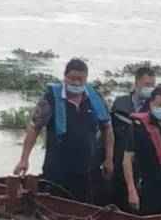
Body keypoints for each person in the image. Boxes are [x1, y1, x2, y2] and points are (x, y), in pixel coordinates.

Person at [13, 58, 113, 202]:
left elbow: (107, 128)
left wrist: (109, 159)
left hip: (87, 169)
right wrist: (24, 159)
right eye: (72, 79)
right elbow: (34, 128)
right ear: (65, 77)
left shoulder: (95, 99)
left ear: (86, 79)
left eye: (81, 79)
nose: (76, 83)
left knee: (82, 209)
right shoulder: (51, 99)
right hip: (57, 168)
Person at [123, 87, 161, 215]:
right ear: (151, 104)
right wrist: (131, 190)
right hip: (146, 185)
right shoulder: (137, 126)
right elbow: (127, 159)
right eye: (160, 105)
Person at [104, 66, 157, 209]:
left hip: (143, 170)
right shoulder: (120, 104)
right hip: (119, 165)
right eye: (147, 85)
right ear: (136, 83)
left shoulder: (155, 109)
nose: (150, 88)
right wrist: (107, 160)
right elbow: (109, 134)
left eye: (152, 85)